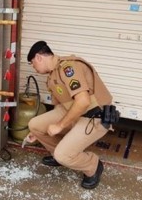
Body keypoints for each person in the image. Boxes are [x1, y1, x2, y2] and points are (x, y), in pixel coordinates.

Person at [25, 41, 113, 189]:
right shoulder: (53, 76)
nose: (34, 68)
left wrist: (60, 126)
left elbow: (83, 101)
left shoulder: (68, 68)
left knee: (63, 155)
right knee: (34, 125)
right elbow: (58, 107)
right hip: (72, 112)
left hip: (93, 116)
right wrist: (39, 132)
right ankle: (59, 154)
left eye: (33, 63)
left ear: (39, 57)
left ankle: (93, 166)